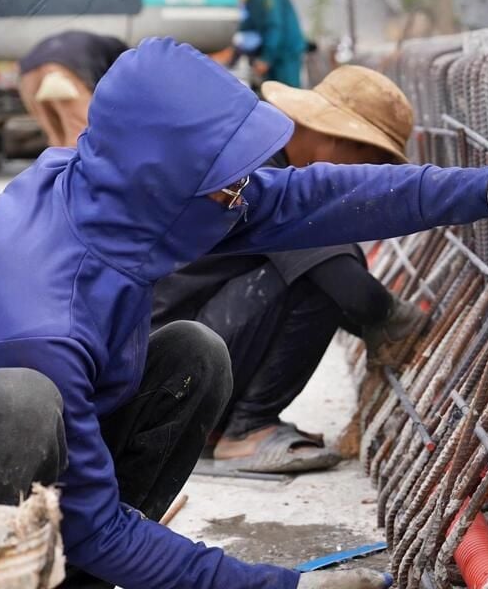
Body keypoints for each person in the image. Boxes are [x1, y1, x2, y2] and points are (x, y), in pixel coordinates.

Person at [0, 38, 488, 589]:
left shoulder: (114, 192)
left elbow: (318, 197)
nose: (243, 192)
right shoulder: (43, 323)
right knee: (23, 405)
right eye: (227, 178)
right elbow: (94, 523)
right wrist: (287, 586)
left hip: (30, 414)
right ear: (166, 179)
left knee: (191, 357)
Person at [153, 65, 427, 475]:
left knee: (327, 252)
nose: (366, 177)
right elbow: (354, 295)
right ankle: (247, 430)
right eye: (369, 160)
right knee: (319, 274)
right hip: (167, 384)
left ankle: (219, 424)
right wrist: (400, 323)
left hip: (165, 370)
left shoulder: (255, 151)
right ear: (338, 136)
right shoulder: (261, 174)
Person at [18, 31, 128, 150]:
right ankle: (80, 168)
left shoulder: (97, 45)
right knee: (80, 133)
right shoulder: (122, 53)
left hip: (28, 76)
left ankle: (60, 167)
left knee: (55, 137)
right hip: (61, 72)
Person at [233, 0, 307, 88]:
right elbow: (253, 20)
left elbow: (274, 25)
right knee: (273, 95)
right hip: (274, 50)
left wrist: (266, 58)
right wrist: (231, 30)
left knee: (288, 96)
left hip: (285, 52)